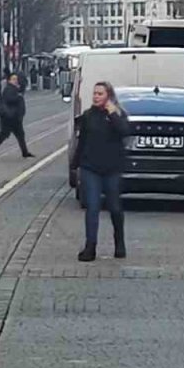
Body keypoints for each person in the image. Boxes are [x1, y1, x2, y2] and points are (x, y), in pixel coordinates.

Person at [71, 82, 130, 261]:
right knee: (93, 207)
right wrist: (75, 164)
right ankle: (90, 247)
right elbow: (82, 142)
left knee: (114, 207)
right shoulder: (88, 116)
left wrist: (112, 112)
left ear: (108, 96)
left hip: (112, 168)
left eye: (100, 94)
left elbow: (124, 131)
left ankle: (119, 242)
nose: (96, 96)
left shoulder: (117, 115)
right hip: (91, 168)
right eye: (94, 93)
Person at [0, 73, 34, 159]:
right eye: (13, 79)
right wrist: (18, 97)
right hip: (10, 117)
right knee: (5, 135)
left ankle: (25, 152)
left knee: (19, 134)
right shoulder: (9, 89)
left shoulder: (14, 88)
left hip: (13, 116)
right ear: (9, 80)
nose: (15, 80)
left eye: (16, 79)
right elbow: (9, 99)